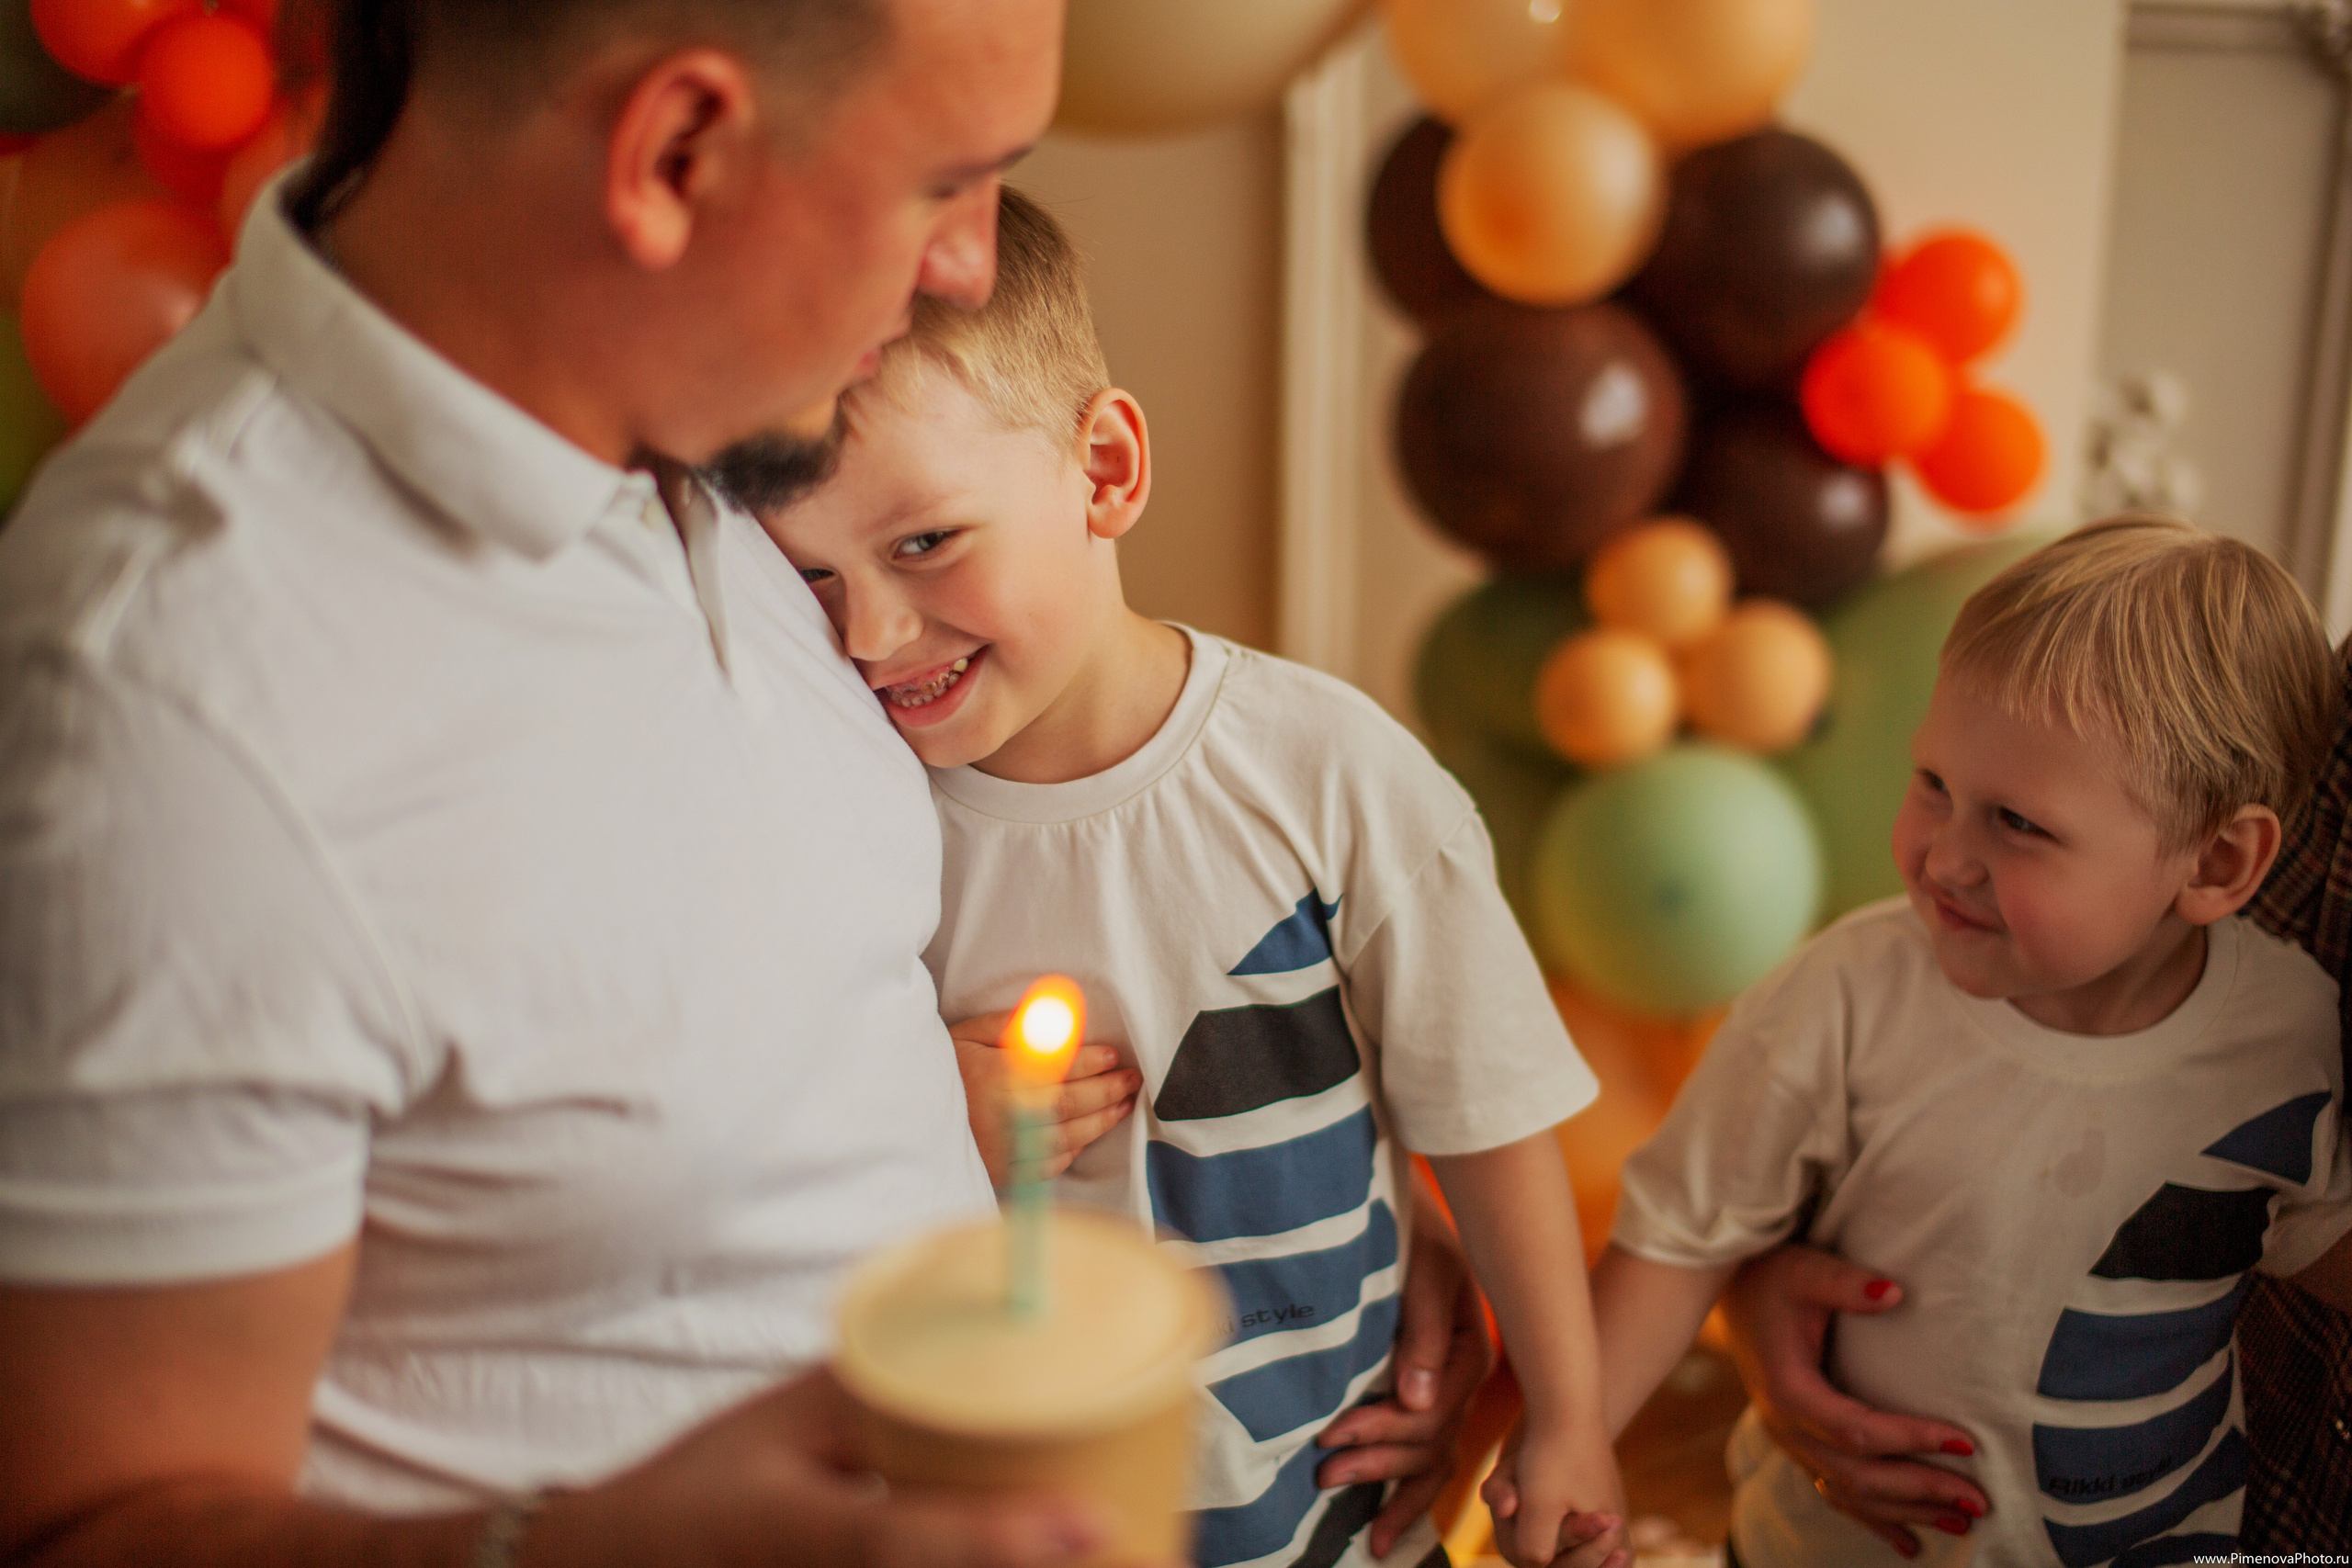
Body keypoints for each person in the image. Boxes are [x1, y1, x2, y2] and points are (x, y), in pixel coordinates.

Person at [0, 2, 1491, 1564]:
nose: (970, 267)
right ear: (676, 156)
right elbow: (88, 1529)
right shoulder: (167, 704)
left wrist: (1357, 1218)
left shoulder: (738, 449)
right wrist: (579, 1551)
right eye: (942, 183)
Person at [744, 185, 1626, 1568]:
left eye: (924, 543)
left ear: (1103, 469)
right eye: (806, 575)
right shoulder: (849, 817)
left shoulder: (1327, 770)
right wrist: (925, 1115)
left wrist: (1568, 1412)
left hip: (1329, 1489)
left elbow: (1489, 1102)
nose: (870, 630)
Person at [1555, 519, 2352, 1565]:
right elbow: (1677, 1234)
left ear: (2214, 863)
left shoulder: (2285, 1030)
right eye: (1932, 783)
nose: (1942, 856)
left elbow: (2317, 1239)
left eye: (2017, 824)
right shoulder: (1848, 992)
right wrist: (1572, 1444)